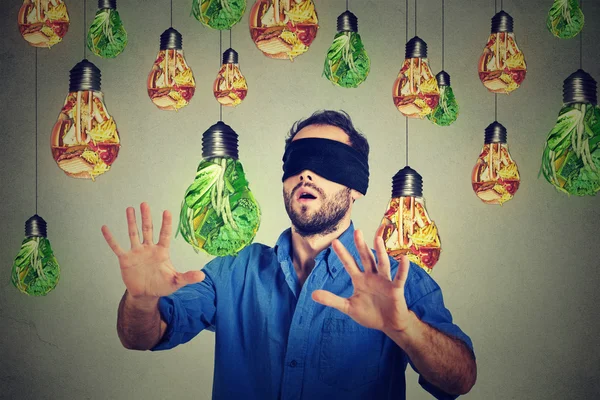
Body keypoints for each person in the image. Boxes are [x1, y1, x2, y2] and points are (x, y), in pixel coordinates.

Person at [102, 110, 477, 399]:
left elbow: (460, 379)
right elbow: (142, 336)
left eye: (328, 162)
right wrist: (141, 300)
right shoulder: (233, 272)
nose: (307, 174)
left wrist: (405, 328)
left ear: (356, 187)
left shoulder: (397, 281)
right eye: (297, 162)